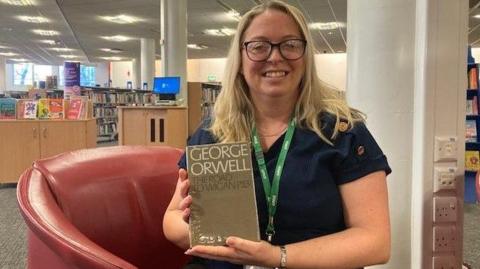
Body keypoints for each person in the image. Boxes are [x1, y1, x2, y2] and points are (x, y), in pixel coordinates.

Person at [163, 1, 392, 268]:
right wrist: (196, 225)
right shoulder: (214, 131)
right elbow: (170, 220)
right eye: (259, 46)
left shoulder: (343, 132)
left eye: (290, 44)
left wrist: (276, 257)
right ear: (240, 59)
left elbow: (375, 242)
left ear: (305, 57)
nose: (274, 57)